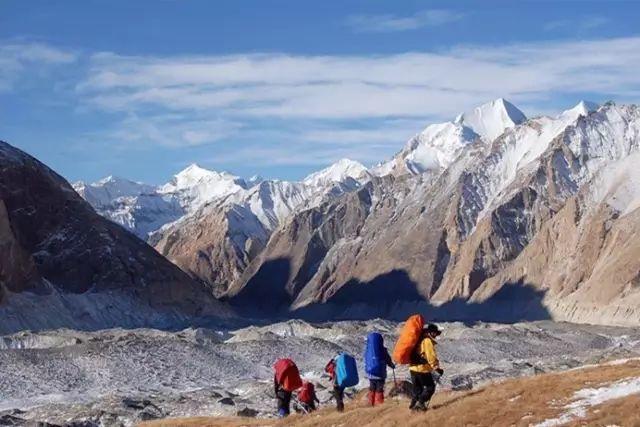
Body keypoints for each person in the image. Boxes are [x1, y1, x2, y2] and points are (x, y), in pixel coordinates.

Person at [409, 323, 443, 411]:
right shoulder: (427, 341)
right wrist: (436, 368)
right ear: (430, 332)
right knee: (430, 387)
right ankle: (420, 403)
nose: (436, 335)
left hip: (412, 368)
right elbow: (430, 356)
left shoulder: (419, 339)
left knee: (418, 389)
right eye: (435, 333)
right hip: (422, 369)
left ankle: (413, 406)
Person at [365, 332, 396, 406]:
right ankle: (379, 406)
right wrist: (392, 365)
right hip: (380, 374)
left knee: (372, 389)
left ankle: (370, 404)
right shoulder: (383, 350)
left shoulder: (368, 350)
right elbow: (387, 359)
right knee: (379, 390)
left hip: (371, 374)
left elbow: (366, 360)